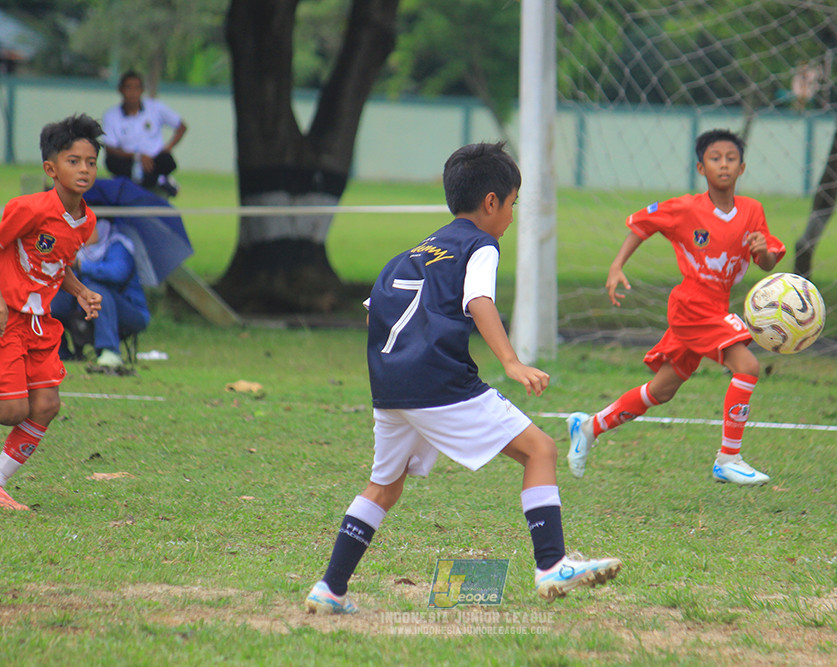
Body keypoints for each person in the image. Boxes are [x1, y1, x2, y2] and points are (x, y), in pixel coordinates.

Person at [305, 142, 622, 615]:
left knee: (384, 487)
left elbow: (375, 316)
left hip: (390, 387)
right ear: (491, 202)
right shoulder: (480, 245)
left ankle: (330, 588)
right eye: (512, 204)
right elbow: (479, 301)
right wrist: (512, 362)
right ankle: (552, 564)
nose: (511, 216)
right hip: (438, 382)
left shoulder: (411, 253)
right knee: (541, 450)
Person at [567, 129, 785, 486]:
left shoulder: (752, 211)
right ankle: (728, 458)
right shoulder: (686, 208)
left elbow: (767, 261)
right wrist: (616, 265)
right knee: (747, 365)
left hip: (715, 305)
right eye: (715, 158)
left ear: (742, 167)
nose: (724, 165)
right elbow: (642, 224)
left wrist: (764, 251)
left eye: (731, 158)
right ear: (701, 167)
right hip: (692, 304)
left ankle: (589, 426)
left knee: (661, 391)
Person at [0, 114, 104, 511]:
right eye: (73, 161)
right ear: (51, 169)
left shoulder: (85, 220)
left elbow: (56, 265)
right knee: (12, 410)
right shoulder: (30, 208)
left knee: (46, 405)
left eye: (90, 162)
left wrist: (80, 291)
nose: (83, 169)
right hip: (5, 318)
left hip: (39, 324)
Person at [50, 219, 150, 368]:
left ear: (101, 228)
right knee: (55, 297)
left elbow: (117, 273)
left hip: (130, 312)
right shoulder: (78, 249)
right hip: (86, 307)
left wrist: (81, 266)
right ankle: (58, 351)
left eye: (87, 229)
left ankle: (110, 350)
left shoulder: (117, 246)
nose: (82, 234)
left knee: (96, 291)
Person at [102, 70, 187, 197]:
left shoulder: (155, 107)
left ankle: (149, 180)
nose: (132, 93)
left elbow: (181, 126)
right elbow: (110, 147)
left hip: (154, 160)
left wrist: (168, 148)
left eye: (136, 88)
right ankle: (160, 181)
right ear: (120, 90)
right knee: (112, 161)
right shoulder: (111, 115)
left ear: (142, 90)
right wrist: (137, 156)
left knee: (166, 161)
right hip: (129, 159)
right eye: (128, 88)